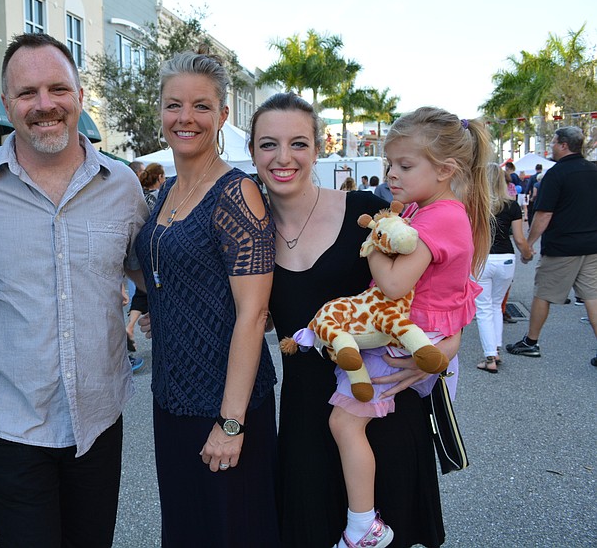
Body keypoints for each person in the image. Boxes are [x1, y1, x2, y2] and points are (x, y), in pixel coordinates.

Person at [0, 33, 147, 546]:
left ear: (80, 95)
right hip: (10, 424)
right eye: (26, 93)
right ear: (8, 103)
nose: (44, 105)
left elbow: (149, 272)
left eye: (58, 88)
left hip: (99, 419)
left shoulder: (122, 186)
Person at [253, 93, 452, 548]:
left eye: (298, 144)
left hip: (385, 406)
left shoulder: (367, 214)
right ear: (252, 151)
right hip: (306, 417)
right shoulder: (251, 230)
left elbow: (441, 287)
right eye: (268, 144)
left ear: (318, 148)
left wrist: (447, 346)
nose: (284, 158)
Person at [134, 50, 278, 546]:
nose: (185, 118)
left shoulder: (237, 194)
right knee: (186, 526)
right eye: (174, 105)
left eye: (200, 106)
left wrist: (231, 422)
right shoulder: (168, 189)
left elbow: (254, 313)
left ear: (222, 115)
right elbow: (162, 266)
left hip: (225, 401)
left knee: (230, 528)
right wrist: (160, 304)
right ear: (160, 111)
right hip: (171, 396)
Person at [333, 107, 490, 548]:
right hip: (418, 336)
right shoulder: (442, 210)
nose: (392, 175)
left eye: (405, 165)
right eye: (390, 164)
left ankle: (363, 528)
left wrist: (373, 243)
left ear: (445, 170)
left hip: (405, 336)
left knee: (345, 424)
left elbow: (395, 282)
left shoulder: (435, 218)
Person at [506, 126, 597, 367]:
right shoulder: (593, 170)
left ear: (564, 145)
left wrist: (529, 244)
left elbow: (544, 214)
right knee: (592, 296)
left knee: (543, 294)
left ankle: (531, 342)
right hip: (592, 244)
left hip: (562, 246)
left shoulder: (556, 174)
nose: (552, 146)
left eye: (555, 142)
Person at [474, 164, 529, 373]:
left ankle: (490, 357)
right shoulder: (512, 205)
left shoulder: (475, 204)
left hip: (481, 258)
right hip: (506, 259)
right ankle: (495, 350)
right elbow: (520, 239)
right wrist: (527, 254)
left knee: (484, 309)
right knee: (496, 306)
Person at [125, 162, 165, 355]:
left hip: (138, 254)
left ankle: (131, 325)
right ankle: (132, 325)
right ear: (159, 177)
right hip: (153, 256)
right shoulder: (162, 197)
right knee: (147, 291)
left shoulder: (141, 195)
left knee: (141, 293)